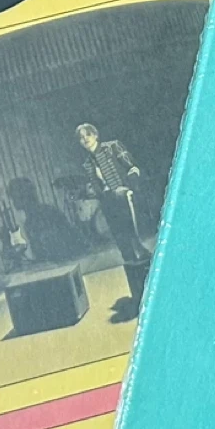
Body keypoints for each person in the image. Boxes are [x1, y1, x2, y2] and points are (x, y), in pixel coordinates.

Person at [76, 122, 149, 315]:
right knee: (123, 245)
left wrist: (128, 188)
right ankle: (138, 295)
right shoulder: (86, 164)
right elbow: (97, 187)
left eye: (87, 135)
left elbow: (133, 168)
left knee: (135, 240)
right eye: (81, 138)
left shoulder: (112, 147)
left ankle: (152, 288)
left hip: (125, 197)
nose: (85, 139)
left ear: (95, 135)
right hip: (108, 204)